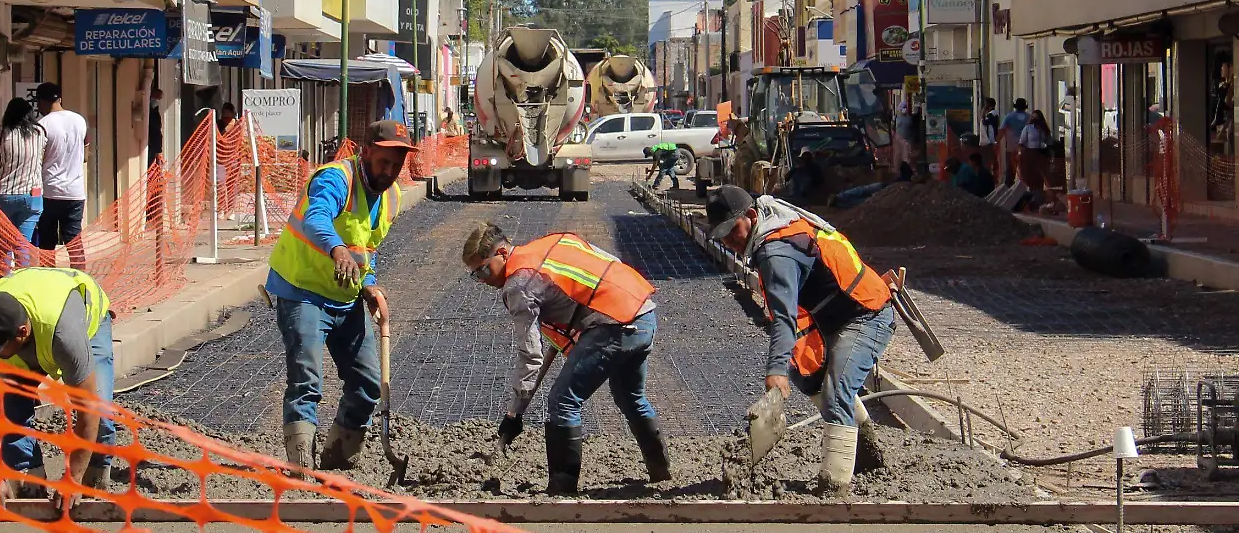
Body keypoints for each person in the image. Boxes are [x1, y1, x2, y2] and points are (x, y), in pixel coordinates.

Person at [706, 185, 896, 496]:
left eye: (732, 231)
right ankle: (868, 457)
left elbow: (784, 317)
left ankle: (834, 489)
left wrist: (776, 369)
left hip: (866, 315)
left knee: (837, 392)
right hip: (833, 317)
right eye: (722, 235)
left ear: (751, 217)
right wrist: (790, 367)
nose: (728, 241)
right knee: (812, 381)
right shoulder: (771, 225)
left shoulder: (775, 251)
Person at [463, 222, 668, 494]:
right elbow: (604, 267)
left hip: (614, 324)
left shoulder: (518, 284)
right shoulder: (548, 245)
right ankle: (661, 472)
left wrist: (514, 413)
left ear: (501, 254)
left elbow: (530, 355)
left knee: (562, 400)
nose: (482, 280)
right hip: (642, 312)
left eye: (483, 270)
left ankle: (562, 489)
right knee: (629, 397)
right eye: (475, 275)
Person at [265, 120, 414, 469]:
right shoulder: (335, 179)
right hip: (303, 293)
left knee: (367, 385)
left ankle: (336, 462)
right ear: (366, 152)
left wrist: (369, 283)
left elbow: (367, 248)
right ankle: (302, 471)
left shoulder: (391, 197)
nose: (390, 171)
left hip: (346, 298)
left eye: (397, 163)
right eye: (384, 161)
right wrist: (337, 250)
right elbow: (316, 219)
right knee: (307, 381)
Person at [0, 267, 118, 514]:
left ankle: (94, 485)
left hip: (86, 323)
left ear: (21, 334)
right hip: (28, 339)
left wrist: (72, 479)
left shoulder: (64, 336)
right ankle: (29, 488)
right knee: (9, 414)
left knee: (102, 417)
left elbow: (88, 410)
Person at [35, 83, 91, 270]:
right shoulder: (79, 120)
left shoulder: (42, 125)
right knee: (74, 242)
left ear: (41, 101)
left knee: (47, 243)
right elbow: (86, 155)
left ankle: (49, 281)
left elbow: (38, 158)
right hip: (75, 192)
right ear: (59, 98)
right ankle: (81, 283)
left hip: (49, 191)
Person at [0, 98, 48, 256]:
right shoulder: (40, 132)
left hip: (4, 194)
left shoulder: (0, 133)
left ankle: (6, 279)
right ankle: (23, 279)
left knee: (5, 247)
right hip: (32, 195)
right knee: (23, 247)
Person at [999, 99, 1031, 180]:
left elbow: (1002, 131)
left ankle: (1010, 188)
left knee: (1010, 171)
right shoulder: (1029, 117)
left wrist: (996, 142)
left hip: (1011, 147)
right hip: (1025, 148)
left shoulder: (1009, 116)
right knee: (1025, 170)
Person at [147, 85, 165, 160]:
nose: (158, 100)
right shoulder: (149, 111)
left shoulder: (155, 111)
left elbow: (157, 130)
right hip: (149, 146)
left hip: (154, 147)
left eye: (160, 98)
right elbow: (155, 130)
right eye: (157, 98)